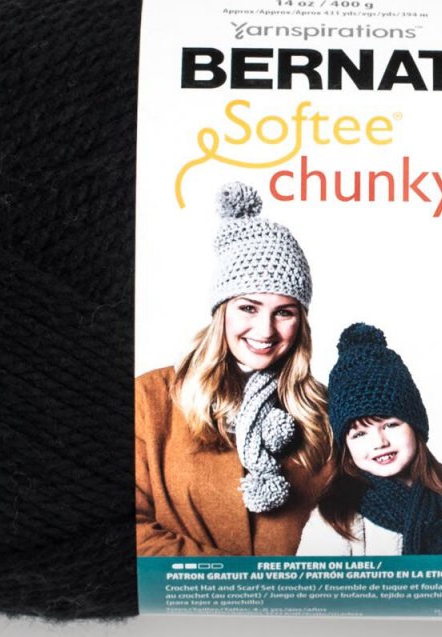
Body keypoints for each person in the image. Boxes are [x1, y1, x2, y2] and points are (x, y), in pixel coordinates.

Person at [135, 182, 331, 556]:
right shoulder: (150, 398)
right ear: (222, 311)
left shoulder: (322, 410)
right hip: (186, 592)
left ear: (301, 322)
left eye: (284, 312)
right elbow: (131, 531)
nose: (265, 331)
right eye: (248, 308)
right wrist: (235, 582)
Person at [297, 323, 442, 556]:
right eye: (360, 434)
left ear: (415, 425)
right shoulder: (338, 515)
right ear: (346, 446)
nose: (379, 442)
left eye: (390, 425)